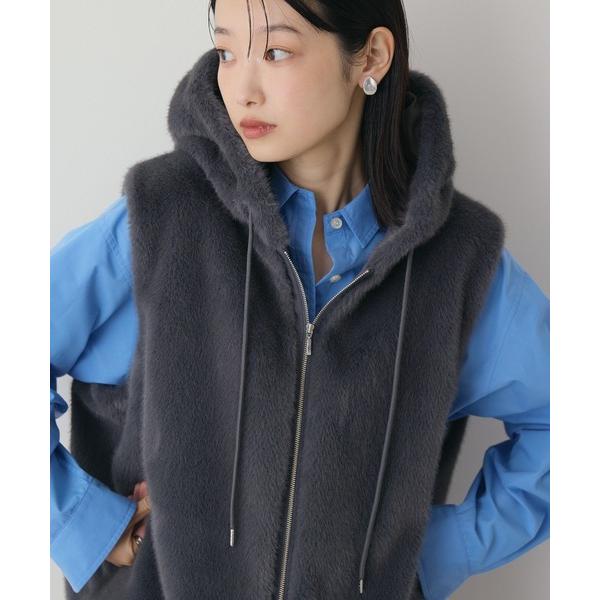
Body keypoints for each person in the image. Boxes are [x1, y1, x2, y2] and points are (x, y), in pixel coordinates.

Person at [50, 1, 550, 599]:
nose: (242, 89)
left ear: (371, 56)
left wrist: (434, 552)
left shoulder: (456, 265)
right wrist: (83, 524)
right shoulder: (164, 218)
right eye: (227, 51)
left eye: (275, 51)